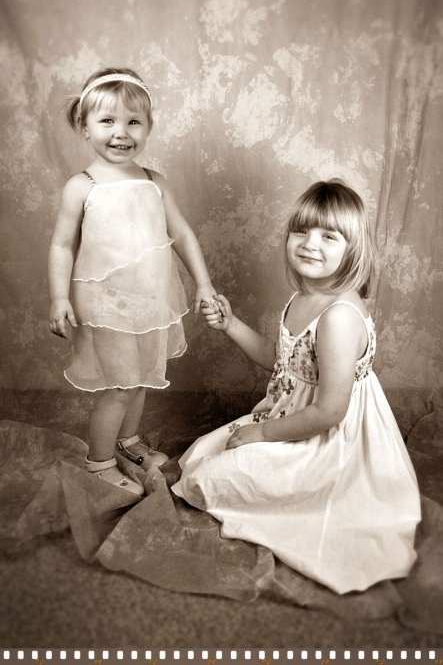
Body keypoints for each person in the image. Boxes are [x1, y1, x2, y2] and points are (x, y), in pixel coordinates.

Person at [172, 180, 421, 594]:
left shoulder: (339, 317)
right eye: (301, 231)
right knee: (201, 457)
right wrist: (231, 325)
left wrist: (262, 434)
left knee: (214, 479)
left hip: (329, 443)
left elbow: (329, 412)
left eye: (329, 236)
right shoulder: (304, 295)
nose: (309, 244)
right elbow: (283, 360)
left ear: (353, 249)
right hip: (291, 417)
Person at [48, 68, 216, 496]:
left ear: (148, 127)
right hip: (104, 302)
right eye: (107, 121)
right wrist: (59, 297)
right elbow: (63, 245)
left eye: (133, 121)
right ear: (84, 125)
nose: (121, 132)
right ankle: (99, 463)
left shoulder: (154, 182)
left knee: (140, 378)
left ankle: (128, 441)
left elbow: (182, 234)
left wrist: (203, 284)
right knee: (120, 385)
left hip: (150, 300)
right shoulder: (82, 186)